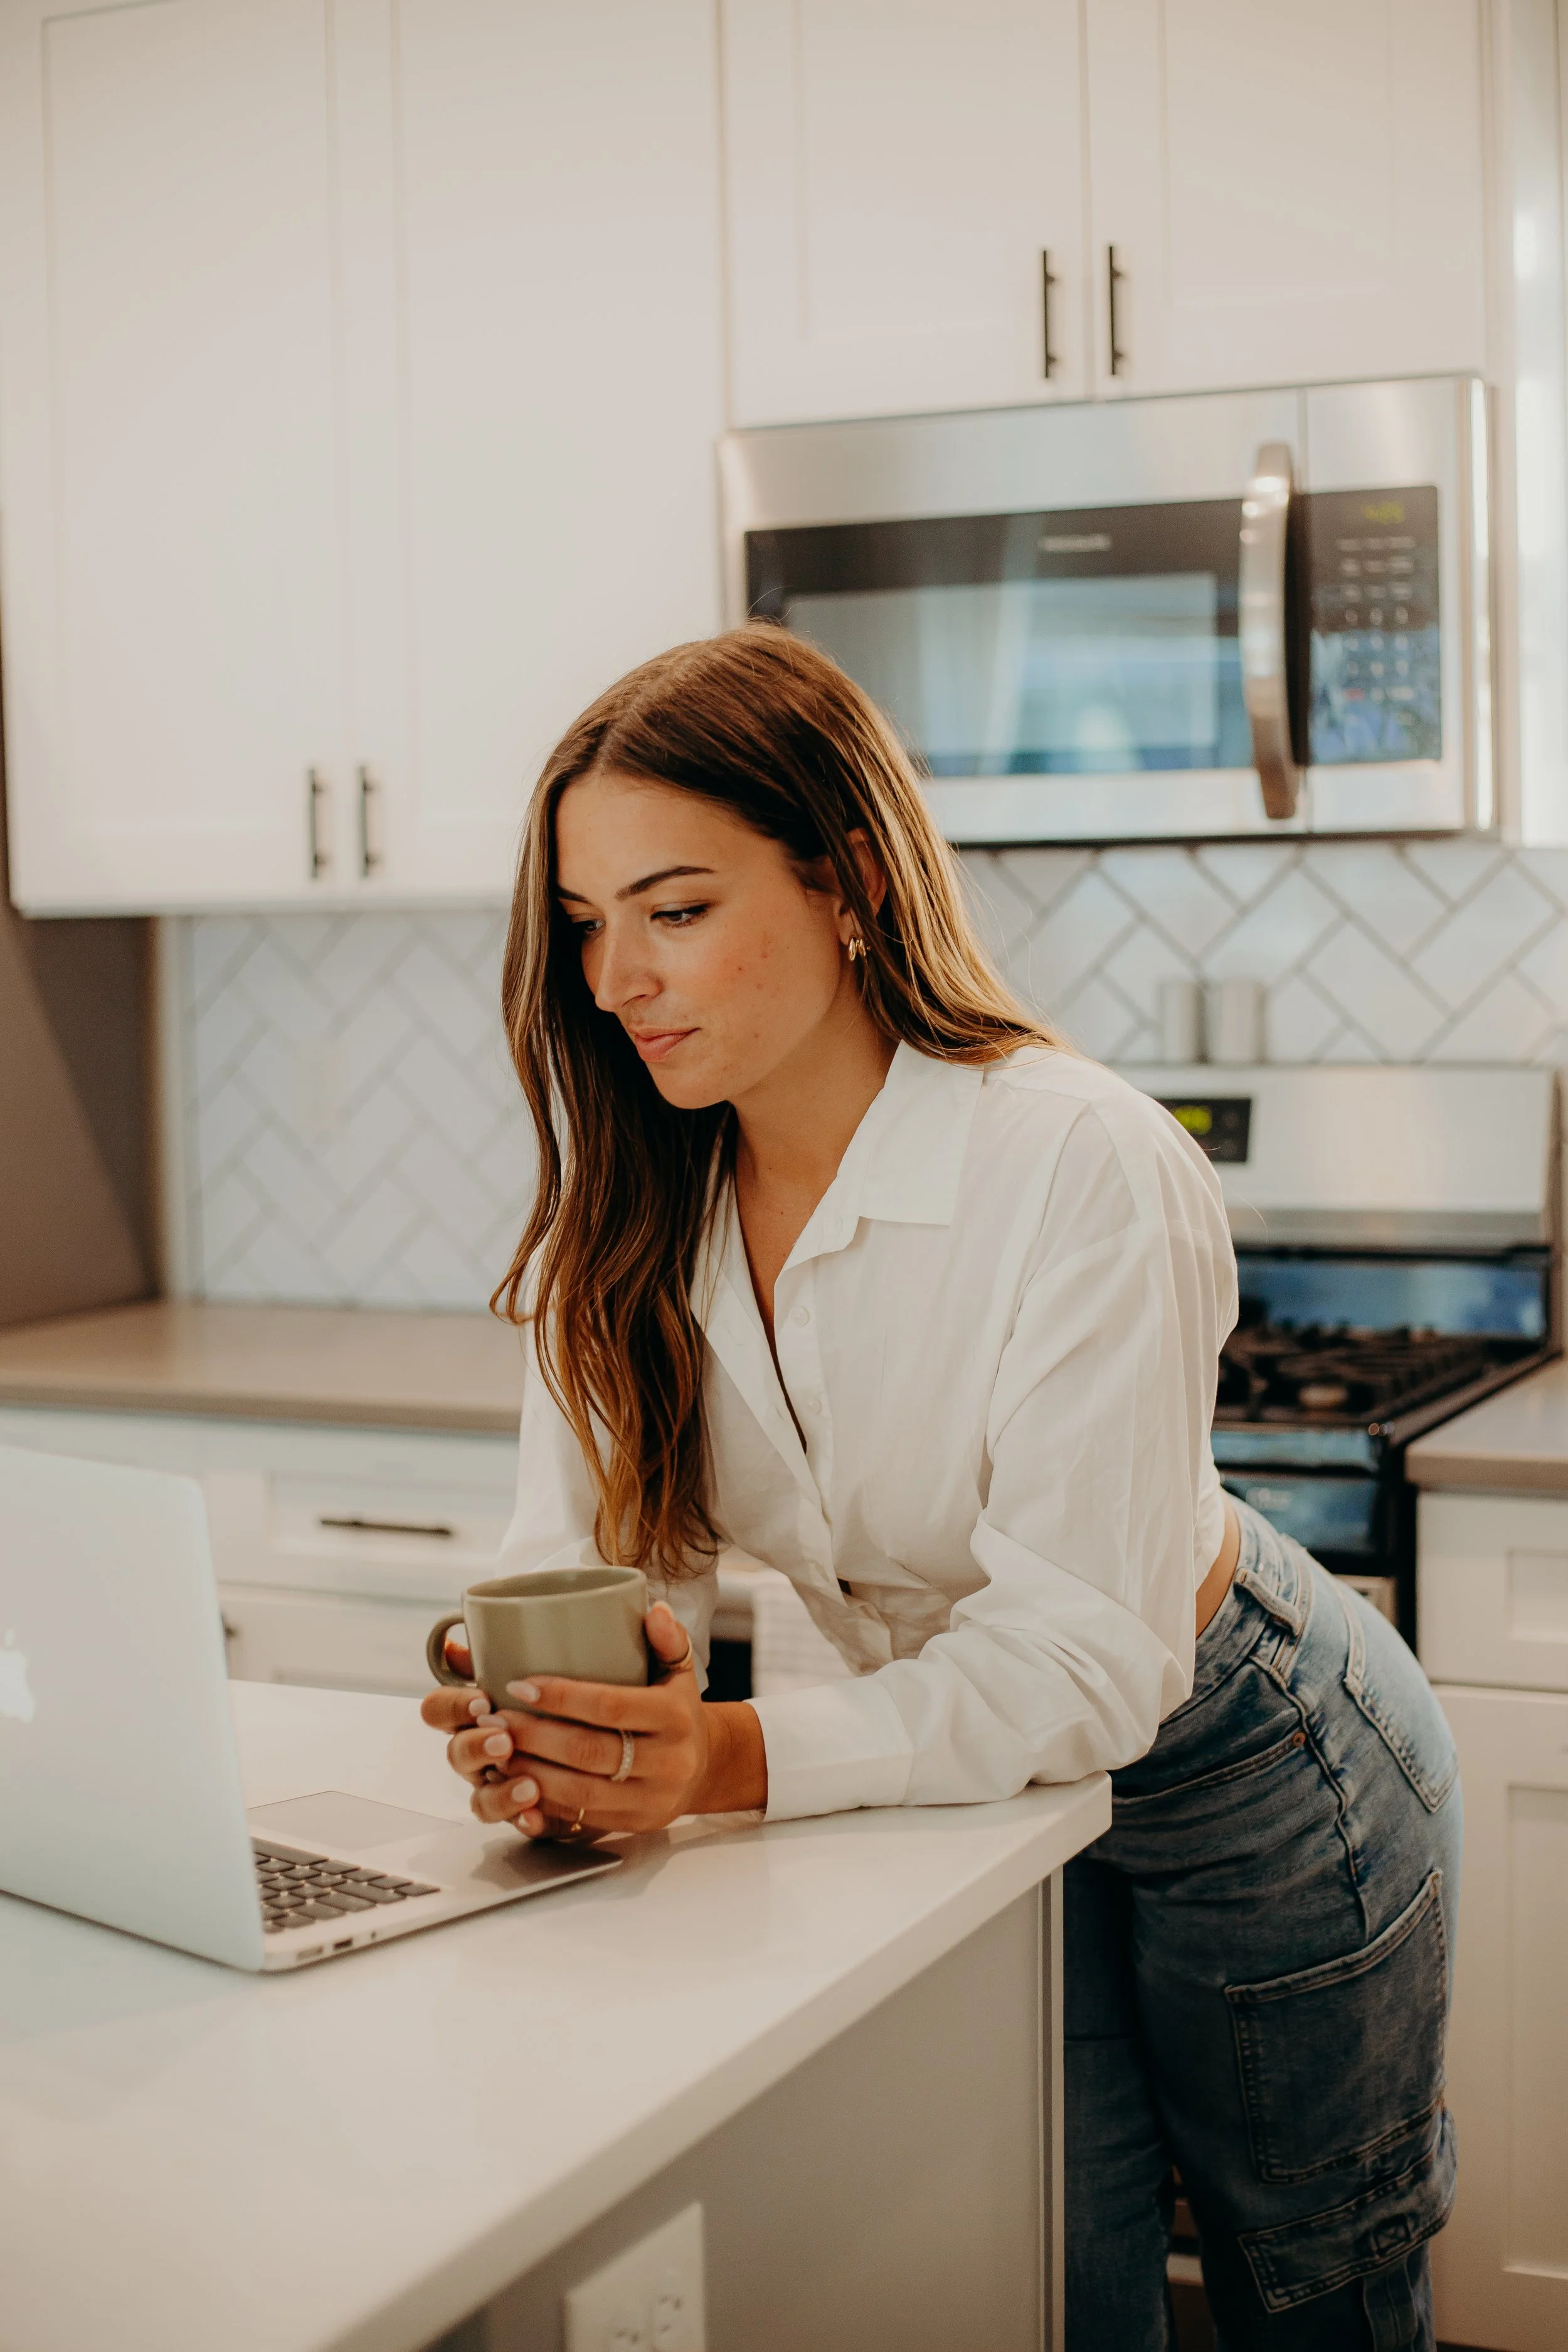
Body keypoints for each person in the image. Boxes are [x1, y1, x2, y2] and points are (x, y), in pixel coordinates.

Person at [421, 625, 1460, 2351]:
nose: (617, 980)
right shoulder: (622, 1218)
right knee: (1052, 2265)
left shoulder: (1075, 1160)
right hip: (961, 1780)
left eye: (673, 908)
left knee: (1313, 2280)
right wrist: (546, 1712)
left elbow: (1080, 1661)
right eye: (588, 925)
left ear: (844, 885)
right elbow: (575, 1560)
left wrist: (735, 1756)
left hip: (1243, 1763)